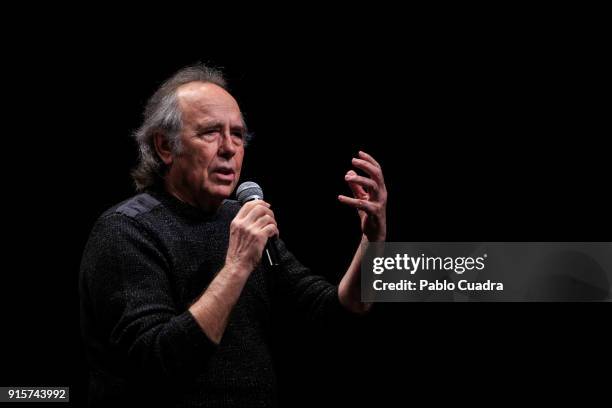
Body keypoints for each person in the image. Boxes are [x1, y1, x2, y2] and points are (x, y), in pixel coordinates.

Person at [79, 64, 387, 407]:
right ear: (165, 147)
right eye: (210, 132)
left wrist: (372, 243)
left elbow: (337, 311)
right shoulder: (126, 230)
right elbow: (159, 363)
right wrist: (238, 265)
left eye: (238, 135)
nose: (229, 148)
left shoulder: (240, 219)